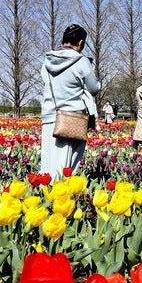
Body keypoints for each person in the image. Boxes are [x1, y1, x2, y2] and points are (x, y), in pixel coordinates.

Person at [40, 24, 100, 180]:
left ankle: (45, 190)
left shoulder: (48, 60)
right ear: (80, 42)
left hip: (50, 115)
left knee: (48, 163)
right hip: (72, 118)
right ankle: (61, 191)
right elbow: (93, 88)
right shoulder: (82, 61)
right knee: (65, 166)